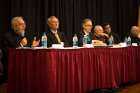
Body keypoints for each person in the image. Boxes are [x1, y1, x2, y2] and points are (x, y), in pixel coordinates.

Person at [2, 16, 39, 82]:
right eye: (21, 24)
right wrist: (21, 44)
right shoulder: (7, 36)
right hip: (12, 65)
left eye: (24, 24)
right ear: (15, 26)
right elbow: (7, 52)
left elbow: (25, 50)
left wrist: (32, 46)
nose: (24, 26)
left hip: (24, 64)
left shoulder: (23, 36)